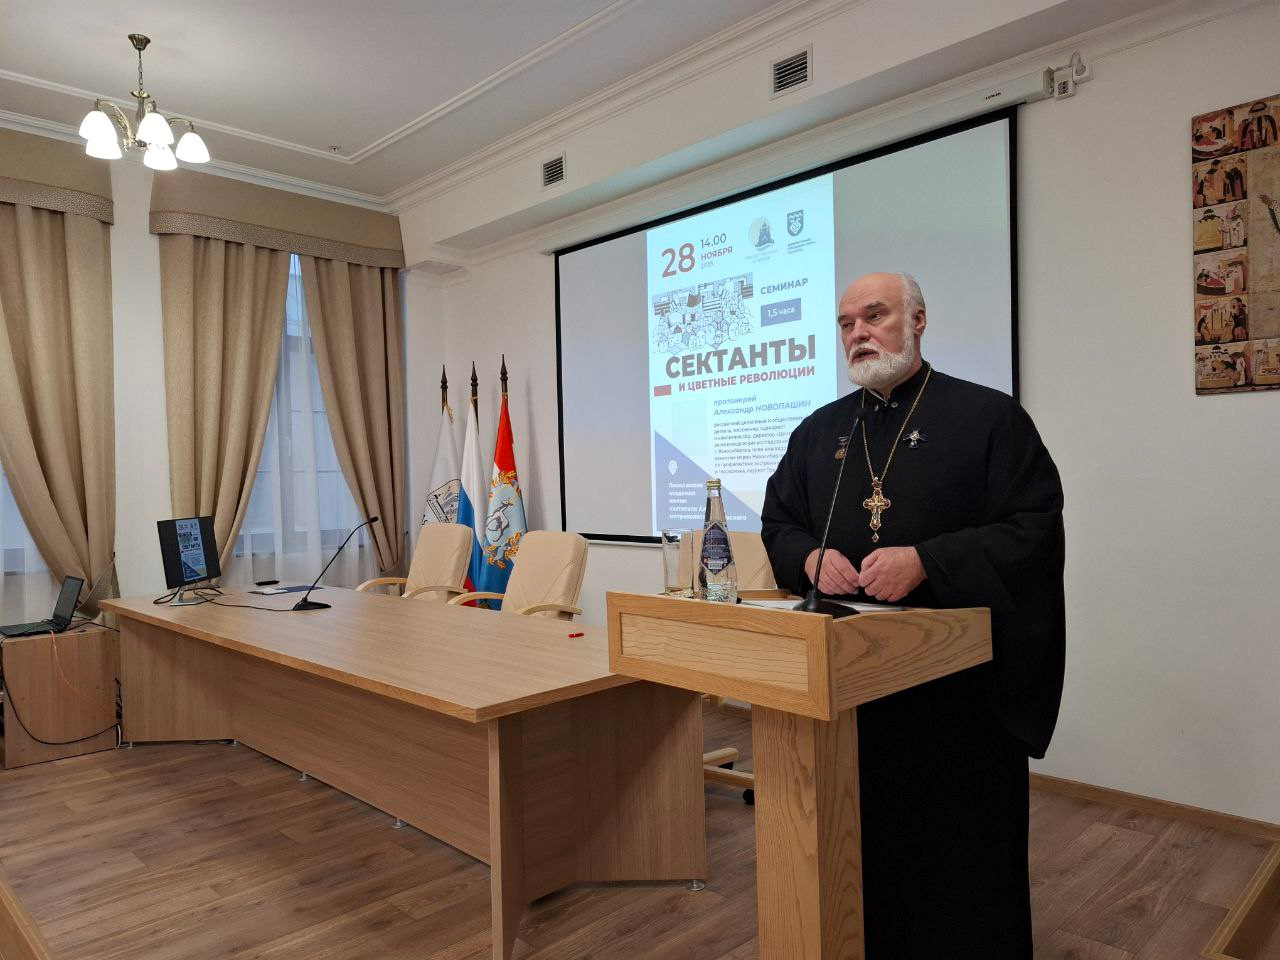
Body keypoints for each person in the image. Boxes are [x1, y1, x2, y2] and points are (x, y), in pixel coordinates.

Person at [761, 272, 1065, 960]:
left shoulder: (989, 419)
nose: (858, 334)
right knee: (865, 861)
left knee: (958, 876)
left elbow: (1034, 528)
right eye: (847, 324)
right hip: (852, 696)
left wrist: (928, 560)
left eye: (875, 316)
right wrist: (809, 558)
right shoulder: (819, 432)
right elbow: (779, 523)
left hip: (957, 703)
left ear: (919, 321)